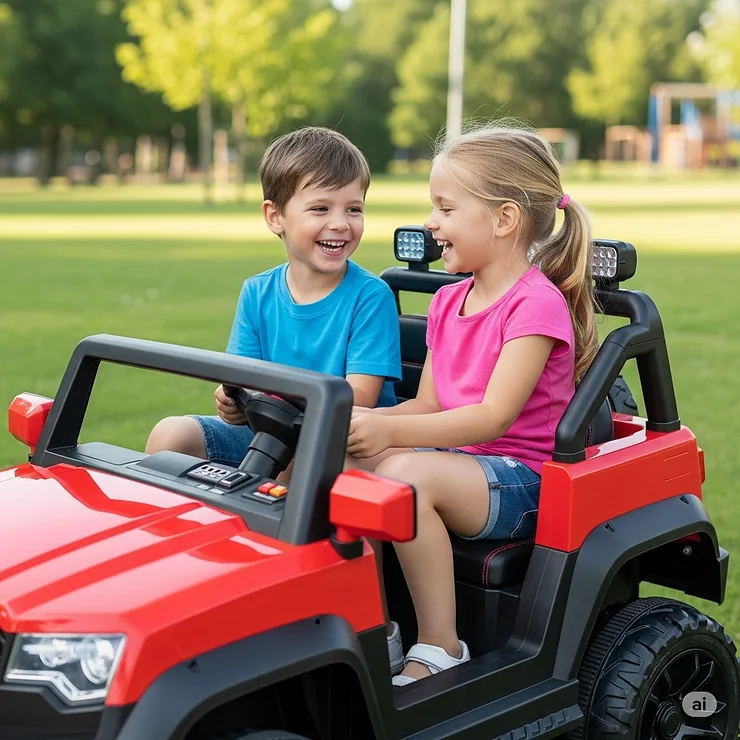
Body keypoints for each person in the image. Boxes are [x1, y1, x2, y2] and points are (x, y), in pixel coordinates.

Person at [345, 122, 599, 686]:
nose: (432, 222)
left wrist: (390, 437)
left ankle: (440, 646)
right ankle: (370, 627)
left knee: (407, 475)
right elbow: (428, 403)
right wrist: (362, 420)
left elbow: (493, 417)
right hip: (464, 466)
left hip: (526, 479)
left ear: (504, 219)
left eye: (445, 207)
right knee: (340, 465)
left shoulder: (535, 305)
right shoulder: (449, 300)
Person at [146, 126, 402, 467]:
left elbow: (356, 400)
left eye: (354, 209)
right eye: (321, 209)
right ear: (275, 216)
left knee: (299, 466)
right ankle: (180, 520)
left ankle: (257, 512)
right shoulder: (257, 292)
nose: (341, 223)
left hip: (346, 442)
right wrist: (231, 399)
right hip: (271, 433)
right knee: (171, 435)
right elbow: (241, 378)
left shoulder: (370, 297)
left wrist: (272, 404)